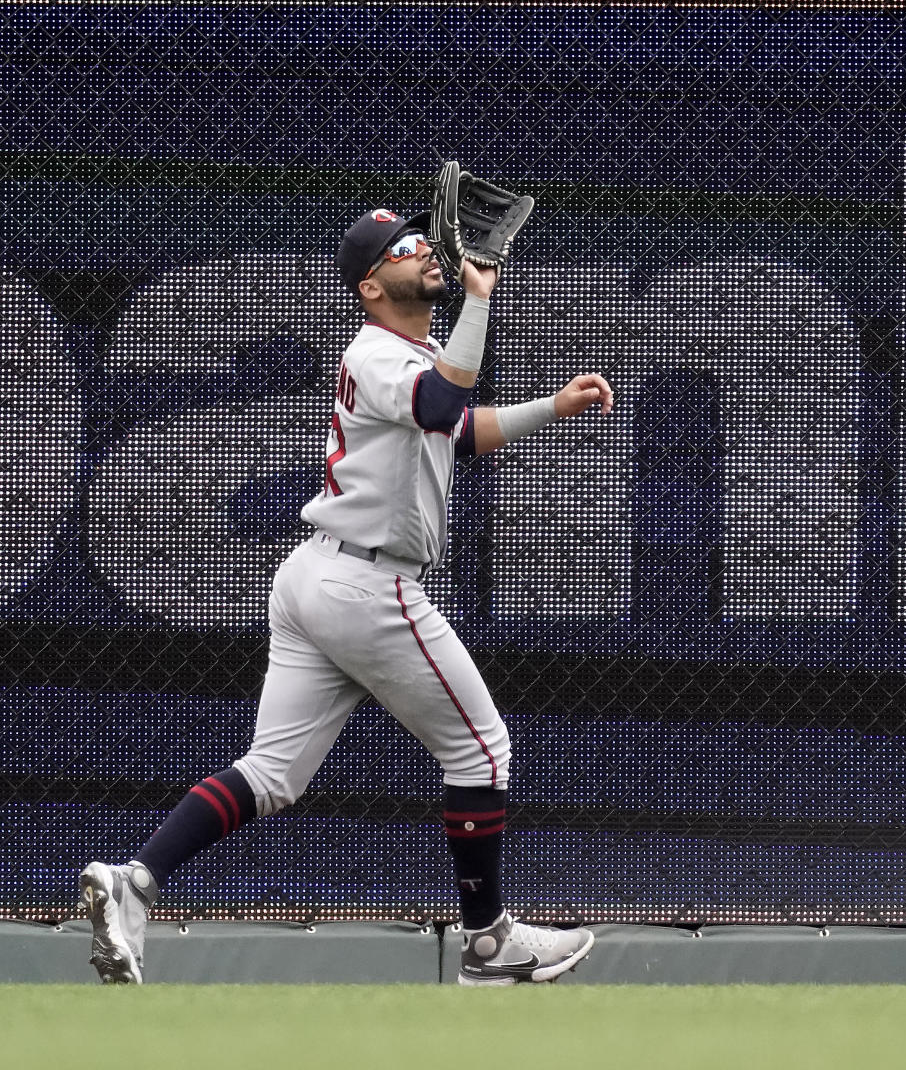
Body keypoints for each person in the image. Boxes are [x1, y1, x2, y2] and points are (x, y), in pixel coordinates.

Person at [80, 205, 614, 986]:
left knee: (272, 775)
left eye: (419, 239)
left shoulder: (407, 354)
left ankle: (135, 883)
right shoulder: (376, 353)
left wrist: (549, 407)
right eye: (403, 249)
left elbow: (455, 428)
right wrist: (482, 295)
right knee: (481, 748)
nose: (424, 250)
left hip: (316, 577)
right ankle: (490, 944)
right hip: (365, 581)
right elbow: (442, 402)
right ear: (372, 285)